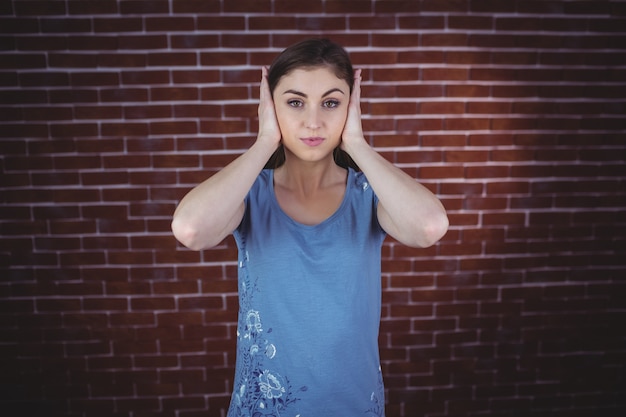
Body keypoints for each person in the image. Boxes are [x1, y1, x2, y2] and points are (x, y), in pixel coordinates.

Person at [172, 38, 448, 417]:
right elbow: (190, 230)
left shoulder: (368, 195)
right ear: (270, 106)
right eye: (295, 102)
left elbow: (430, 226)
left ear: (351, 106)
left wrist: (357, 142)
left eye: (331, 103)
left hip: (353, 406)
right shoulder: (250, 195)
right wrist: (265, 139)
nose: (313, 121)